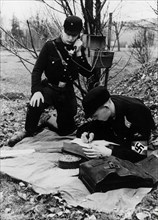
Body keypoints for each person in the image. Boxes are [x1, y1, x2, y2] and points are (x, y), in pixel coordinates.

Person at [8, 15, 95, 147]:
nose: (70, 38)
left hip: (66, 91)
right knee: (35, 104)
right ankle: (28, 131)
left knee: (66, 130)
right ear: (62, 30)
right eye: (68, 34)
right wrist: (36, 91)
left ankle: (49, 120)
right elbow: (37, 71)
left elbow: (87, 72)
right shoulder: (50, 46)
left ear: (79, 34)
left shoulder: (78, 48)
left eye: (74, 35)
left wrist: (79, 54)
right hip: (50, 87)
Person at [76, 86, 157, 162]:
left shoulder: (137, 113)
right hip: (120, 138)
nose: (94, 118)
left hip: (143, 143)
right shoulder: (108, 109)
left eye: (95, 115)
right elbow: (92, 126)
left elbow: (140, 153)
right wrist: (88, 134)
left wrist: (109, 153)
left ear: (106, 107)